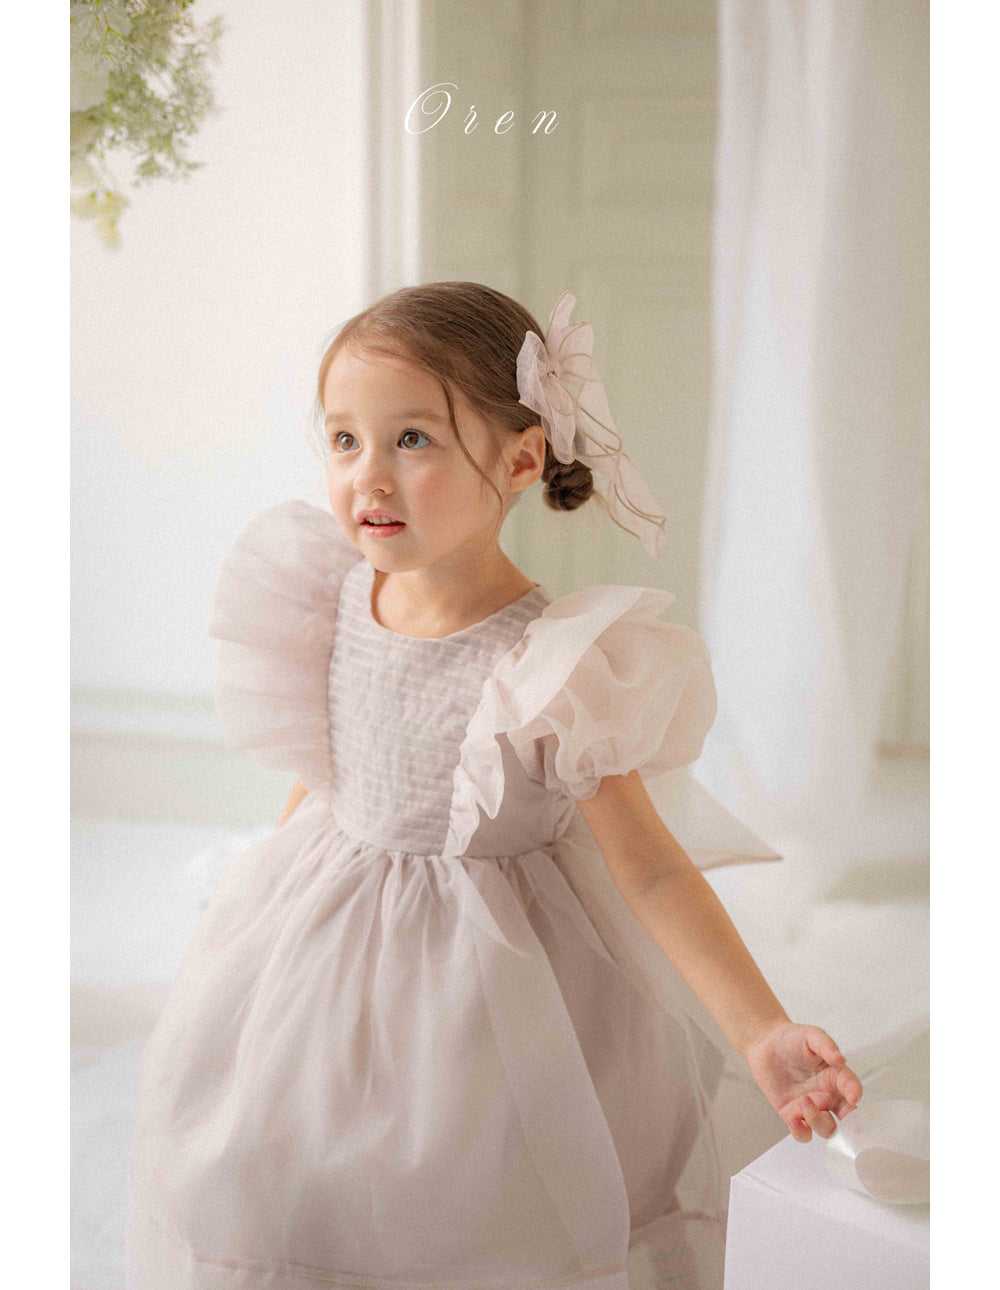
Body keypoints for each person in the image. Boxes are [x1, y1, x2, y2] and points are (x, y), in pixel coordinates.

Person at [127, 282, 862, 1290]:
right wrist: (261, 910)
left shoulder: (554, 663)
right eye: (343, 439)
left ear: (519, 460)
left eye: (413, 440)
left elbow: (651, 872)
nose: (368, 475)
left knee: (472, 1201)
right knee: (269, 1163)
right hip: (324, 930)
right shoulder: (329, 596)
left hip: (486, 982)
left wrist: (761, 1028)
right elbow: (322, 774)